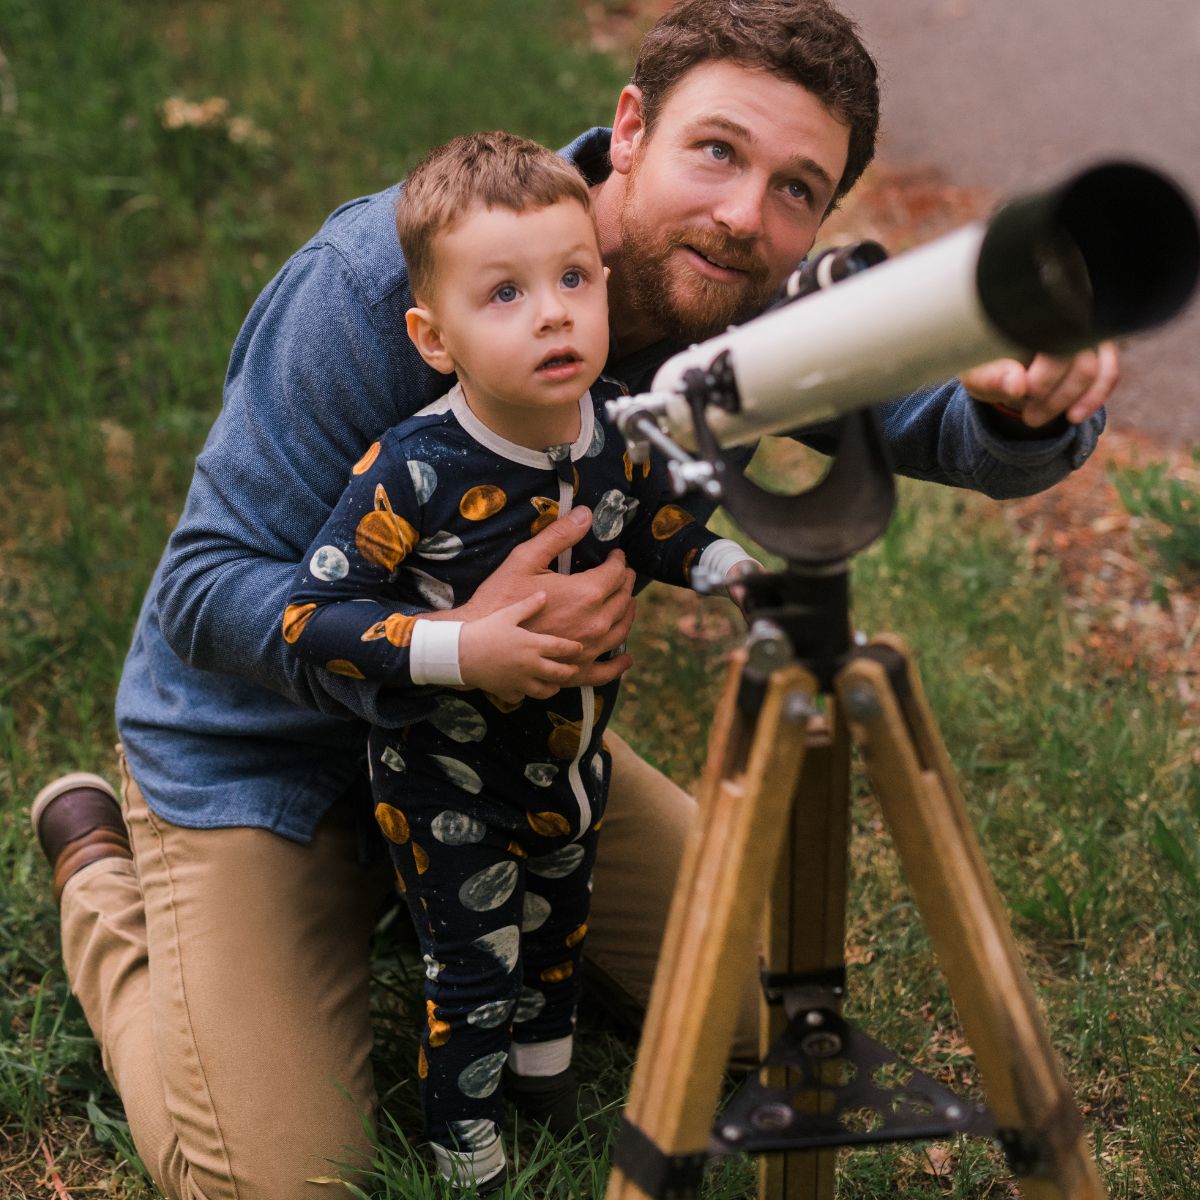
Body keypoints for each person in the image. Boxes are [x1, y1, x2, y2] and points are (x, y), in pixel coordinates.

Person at [30, 1, 1119, 1196]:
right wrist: (448, 645)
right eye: (719, 151)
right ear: (631, 125)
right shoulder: (379, 278)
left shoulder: (741, 293)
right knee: (277, 1182)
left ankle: (421, 905)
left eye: (797, 188)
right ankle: (99, 873)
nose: (746, 214)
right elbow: (202, 591)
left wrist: (1028, 402)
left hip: (513, 756)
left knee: (765, 1013)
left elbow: (952, 425)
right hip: (266, 755)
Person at [282, 129, 759, 1190]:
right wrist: (464, 648)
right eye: (503, 294)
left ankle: (546, 1086)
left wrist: (727, 566)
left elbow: (651, 527)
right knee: (476, 972)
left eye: (575, 278)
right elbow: (312, 615)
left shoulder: (609, 435)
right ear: (433, 335)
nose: (553, 312)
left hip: (573, 766)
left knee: (558, 934)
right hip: (446, 777)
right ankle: (469, 1152)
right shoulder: (414, 469)